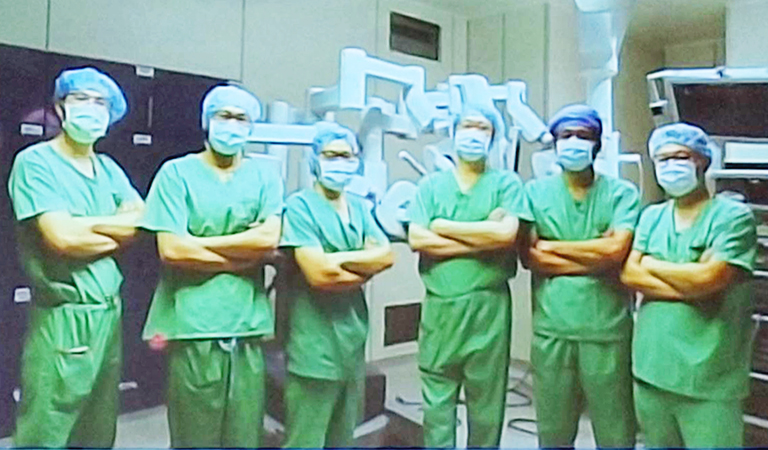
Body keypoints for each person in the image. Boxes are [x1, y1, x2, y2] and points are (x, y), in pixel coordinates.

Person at [140, 84, 283, 448]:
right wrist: (244, 252)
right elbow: (172, 250)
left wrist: (199, 243)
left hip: (246, 324)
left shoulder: (264, 176)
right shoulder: (176, 174)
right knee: (195, 436)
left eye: (241, 118)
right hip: (193, 324)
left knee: (244, 434)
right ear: (207, 120)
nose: (232, 125)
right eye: (224, 116)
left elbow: (268, 240)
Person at [7, 66, 143, 447]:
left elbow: (141, 223)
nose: (91, 108)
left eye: (100, 102)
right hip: (63, 318)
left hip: (108, 317)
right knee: (46, 428)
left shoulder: (109, 169)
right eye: (81, 99)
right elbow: (62, 238)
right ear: (59, 107)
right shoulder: (36, 163)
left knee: (97, 430)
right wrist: (115, 231)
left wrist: (84, 226)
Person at [621, 122, 757, 448]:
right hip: (653, 369)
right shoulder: (652, 216)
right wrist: (692, 281)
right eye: (663, 159)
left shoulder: (732, 218)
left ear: (702, 161)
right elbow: (629, 275)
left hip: (709, 378)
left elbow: (709, 279)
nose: (671, 165)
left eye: (681, 157)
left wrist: (651, 263)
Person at [407, 104, 532, 448]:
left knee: (487, 406)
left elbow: (505, 236)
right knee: (437, 404)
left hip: (488, 310)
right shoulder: (431, 186)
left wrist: (441, 226)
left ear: (493, 137)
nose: (474, 134)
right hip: (441, 310)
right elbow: (418, 239)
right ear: (453, 132)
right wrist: (483, 233)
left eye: (483, 128)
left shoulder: (506, 184)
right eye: (467, 126)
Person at [521, 104, 639, 449]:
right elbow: (530, 257)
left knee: (615, 431)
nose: (574, 142)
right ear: (554, 142)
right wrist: (596, 255)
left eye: (583, 136)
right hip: (553, 329)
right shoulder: (535, 193)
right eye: (566, 135)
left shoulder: (621, 194)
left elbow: (616, 251)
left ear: (597, 144)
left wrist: (552, 248)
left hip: (606, 331)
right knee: (553, 431)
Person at [279, 122, 394, 447]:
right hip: (314, 345)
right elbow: (319, 274)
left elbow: (386, 256)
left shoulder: (359, 207)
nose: (340, 163)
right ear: (315, 160)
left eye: (347, 156)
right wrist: (363, 264)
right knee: (306, 439)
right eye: (331, 155)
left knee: (343, 437)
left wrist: (335, 259)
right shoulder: (300, 207)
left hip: (351, 342)